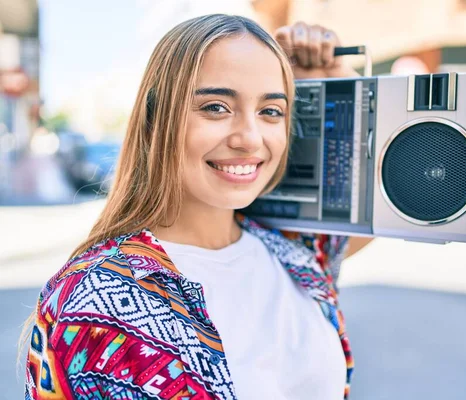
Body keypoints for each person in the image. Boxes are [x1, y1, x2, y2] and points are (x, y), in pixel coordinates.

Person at [23, 14, 372, 400]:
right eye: (216, 107)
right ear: (157, 118)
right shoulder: (92, 299)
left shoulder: (296, 254)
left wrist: (338, 75)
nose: (250, 139)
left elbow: (386, 205)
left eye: (271, 111)